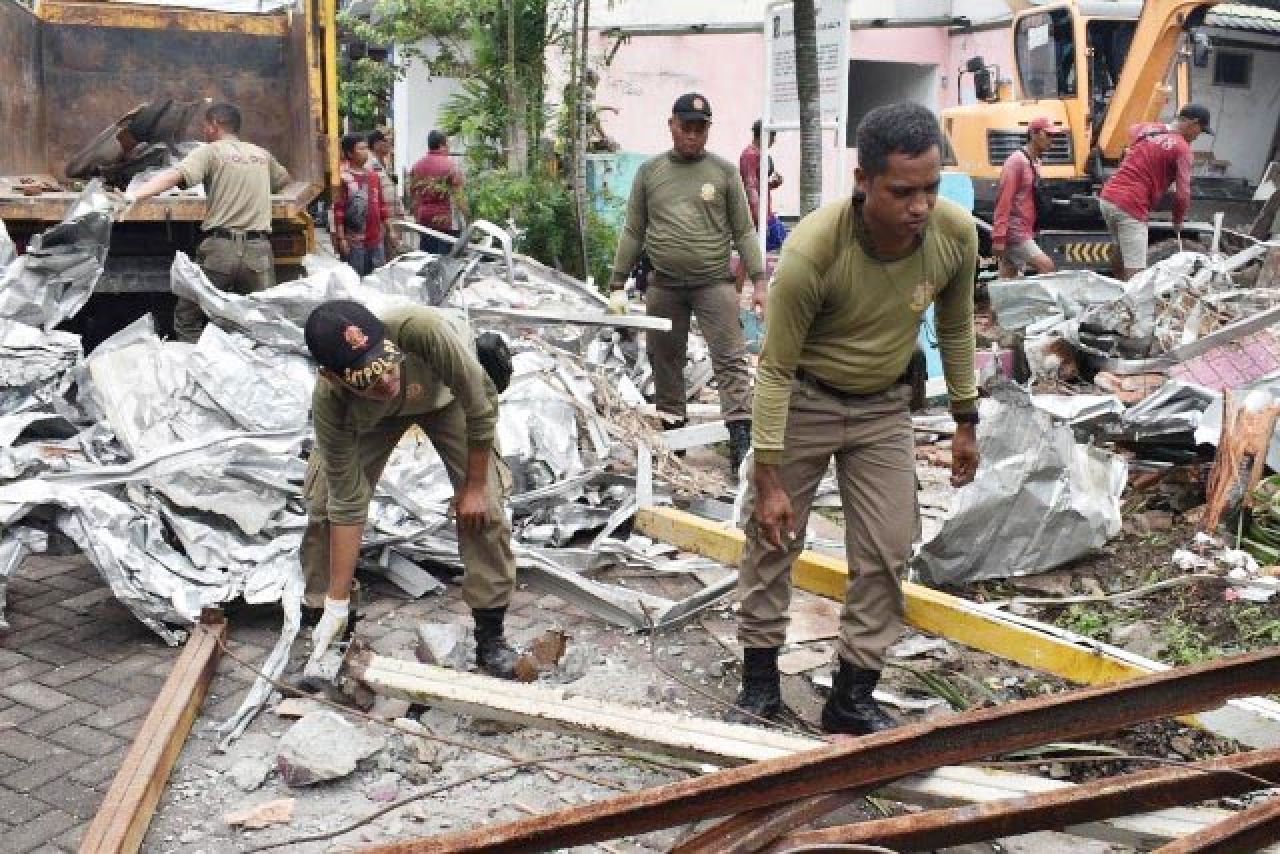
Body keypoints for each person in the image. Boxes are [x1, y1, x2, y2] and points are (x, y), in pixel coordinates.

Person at [725, 102, 980, 735]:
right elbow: (775, 369)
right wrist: (768, 477)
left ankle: (852, 694)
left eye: (930, 188)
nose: (920, 206)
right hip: (805, 401)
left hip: (884, 409)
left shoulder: (954, 235)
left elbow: (956, 327)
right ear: (864, 181)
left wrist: (965, 419)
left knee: (888, 550)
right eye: (902, 192)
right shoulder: (815, 250)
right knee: (772, 541)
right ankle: (759, 683)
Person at [300, 299, 522, 679]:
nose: (387, 380)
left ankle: (491, 634)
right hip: (374, 418)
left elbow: (480, 406)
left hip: (446, 398)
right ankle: (333, 625)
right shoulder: (331, 403)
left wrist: (473, 488)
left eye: (388, 363)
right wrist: (335, 603)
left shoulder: (424, 331)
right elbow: (347, 502)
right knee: (323, 509)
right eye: (369, 378)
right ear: (333, 379)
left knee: (485, 509)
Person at [608, 93, 765, 477]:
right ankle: (674, 435)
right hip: (664, 286)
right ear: (672, 126)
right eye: (686, 127)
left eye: (700, 129)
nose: (693, 135)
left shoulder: (724, 172)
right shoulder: (650, 173)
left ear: (708, 130)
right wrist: (616, 283)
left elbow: (744, 231)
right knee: (665, 360)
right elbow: (633, 231)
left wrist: (760, 281)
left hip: (714, 284)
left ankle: (740, 441)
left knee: (730, 359)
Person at [125, 102, 289, 342]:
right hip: (259, 253)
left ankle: (197, 359)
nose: (204, 130)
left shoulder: (210, 152)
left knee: (187, 318)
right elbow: (283, 181)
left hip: (221, 251)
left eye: (205, 125)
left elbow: (174, 176)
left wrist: (134, 195)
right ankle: (257, 362)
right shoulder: (261, 155)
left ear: (214, 125)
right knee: (263, 322)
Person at [1099, 104, 1211, 280]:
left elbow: (1132, 130)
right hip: (1131, 204)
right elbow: (1183, 194)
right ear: (1193, 123)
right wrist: (1178, 220)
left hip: (1108, 198)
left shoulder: (1148, 129)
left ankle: (1117, 285)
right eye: (1201, 130)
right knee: (1137, 274)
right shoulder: (1183, 150)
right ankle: (1133, 295)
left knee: (1122, 251)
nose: (1198, 136)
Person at [992, 116, 1060, 278]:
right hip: (1015, 232)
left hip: (1024, 229)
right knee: (1047, 267)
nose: (1052, 140)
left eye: (1053, 136)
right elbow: (1004, 200)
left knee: (1009, 279)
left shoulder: (1034, 161)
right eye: (1048, 135)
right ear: (1034, 134)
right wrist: (999, 237)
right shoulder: (1016, 162)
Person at [334, 133, 391, 276]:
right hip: (354, 243)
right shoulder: (343, 178)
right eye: (361, 148)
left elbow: (382, 206)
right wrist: (341, 239)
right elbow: (339, 211)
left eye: (366, 148)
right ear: (350, 153)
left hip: (376, 240)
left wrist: (390, 229)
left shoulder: (374, 177)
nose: (366, 152)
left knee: (377, 279)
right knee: (355, 280)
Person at [409, 130, 469, 256]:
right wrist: (468, 218)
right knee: (445, 259)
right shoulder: (450, 166)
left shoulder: (417, 166)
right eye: (448, 145)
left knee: (426, 257)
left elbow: (414, 198)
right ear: (442, 145)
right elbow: (459, 197)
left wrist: (417, 220)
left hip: (425, 220)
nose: (449, 149)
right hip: (446, 221)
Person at [739, 119, 787, 252]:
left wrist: (773, 184)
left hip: (765, 212)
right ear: (763, 135)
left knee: (778, 243)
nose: (774, 140)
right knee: (761, 251)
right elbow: (750, 189)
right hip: (757, 216)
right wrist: (761, 221)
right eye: (772, 136)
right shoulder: (750, 155)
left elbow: (758, 185)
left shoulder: (760, 153)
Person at [367, 128, 404, 248]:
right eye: (387, 141)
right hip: (381, 220)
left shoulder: (386, 162)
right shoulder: (369, 163)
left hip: (393, 218)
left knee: (393, 251)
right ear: (376, 144)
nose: (390, 144)